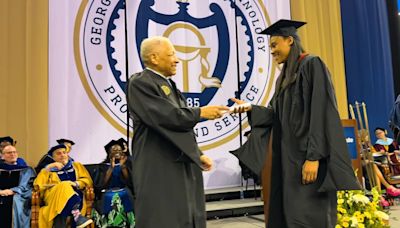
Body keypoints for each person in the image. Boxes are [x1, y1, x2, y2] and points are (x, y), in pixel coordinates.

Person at [230, 19, 361, 228]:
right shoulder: (283, 78)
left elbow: (322, 113)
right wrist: (251, 108)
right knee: (290, 216)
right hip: (288, 162)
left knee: (309, 217)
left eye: (274, 45)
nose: (272, 51)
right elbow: (276, 115)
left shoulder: (312, 65)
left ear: (289, 40)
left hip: (307, 161)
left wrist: (314, 157)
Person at [127, 36, 229, 228]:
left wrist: (198, 154)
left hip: (178, 161)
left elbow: (181, 126)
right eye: (172, 54)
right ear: (154, 58)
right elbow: (167, 117)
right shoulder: (140, 83)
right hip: (158, 163)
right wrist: (201, 112)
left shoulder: (169, 85)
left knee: (184, 213)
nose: (177, 59)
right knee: (163, 215)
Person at [34, 144, 93, 228]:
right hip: (53, 198)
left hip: (77, 195)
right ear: (53, 158)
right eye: (58, 153)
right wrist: (48, 168)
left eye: (64, 153)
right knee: (64, 184)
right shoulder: (47, 170)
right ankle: (77, 215)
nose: (62, 155)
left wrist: (75, 183)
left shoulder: (77, 166)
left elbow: (88, 181)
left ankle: (67, 218)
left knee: (65, 189)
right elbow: (38, 186)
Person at [92, 140, 135, 227]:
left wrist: (123, 167)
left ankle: (129, 224)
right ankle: (110, 224)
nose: (117, 152)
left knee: (124, 194)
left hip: (125, 190)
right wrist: (111, 168)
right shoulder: (103, 166)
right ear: (109, 153)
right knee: (110, 197)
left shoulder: (128, 165)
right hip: (108, 191)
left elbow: (131, 183)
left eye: (119, 150)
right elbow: (100, 185)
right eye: (114, 150)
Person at [0, 145, 35, 228]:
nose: (12, 154)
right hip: (1, 194)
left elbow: (27, 185)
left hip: (18, 196)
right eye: (9, 153)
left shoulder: (26, 170)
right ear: (3, 156)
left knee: (15, 201)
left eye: (14, 152)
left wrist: (13, 191)